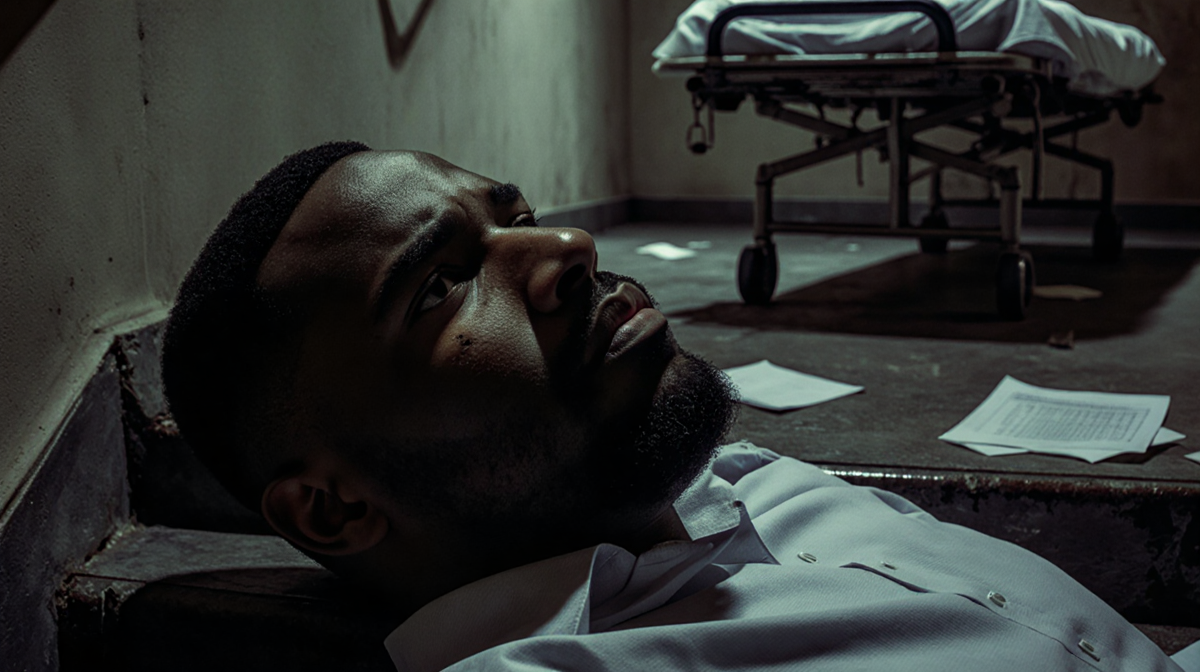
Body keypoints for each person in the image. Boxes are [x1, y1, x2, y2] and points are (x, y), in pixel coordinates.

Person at [161, 142, 1181, 671]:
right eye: (436, 286)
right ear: (335, 510)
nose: (567, 252)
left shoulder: (747, 484)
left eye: (520, 220)